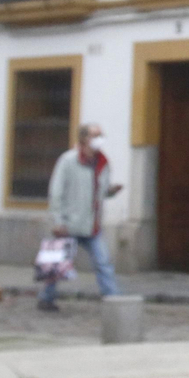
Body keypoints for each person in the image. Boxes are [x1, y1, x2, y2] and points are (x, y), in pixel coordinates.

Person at [44, 123, 124, 311]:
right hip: (70, 223)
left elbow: (100, 191)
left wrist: (111, 191)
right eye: (95, 135)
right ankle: (46, 297)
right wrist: (58, 220)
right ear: (84, 139)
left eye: (101, 135)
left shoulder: (102, 162)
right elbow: (56, 192)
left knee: (103, 262)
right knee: (57, 263)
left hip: (92, 224)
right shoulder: (68, 160)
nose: (99, 139)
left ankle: (113, 299)